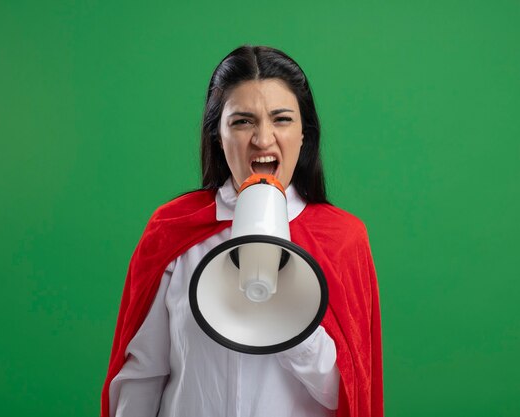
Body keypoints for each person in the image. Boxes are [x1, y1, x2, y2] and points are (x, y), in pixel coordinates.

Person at [101, 45, 383, 417]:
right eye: (242, 121)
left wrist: (290, 316)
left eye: (281, 119)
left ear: (303, 134)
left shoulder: (342, 237)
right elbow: (142, 375)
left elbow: (345, 394)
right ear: (218, 135)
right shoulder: (174, 231)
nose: (263, 139)